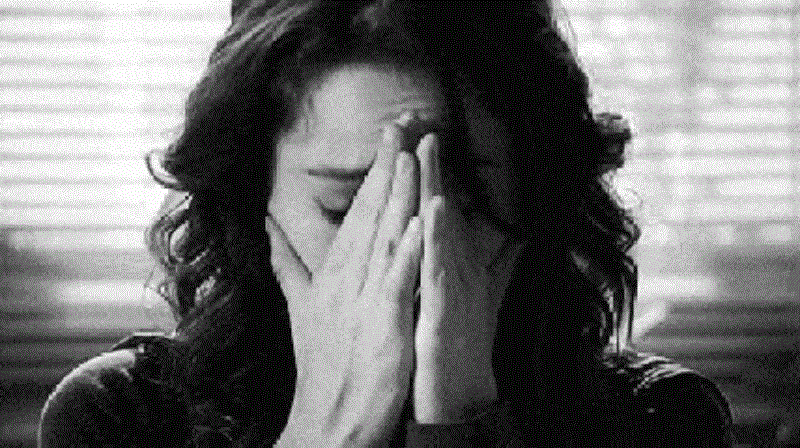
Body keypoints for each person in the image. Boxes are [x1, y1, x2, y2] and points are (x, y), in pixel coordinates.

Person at [38, 1, 735, 446]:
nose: (413, 252)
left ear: (537, 198)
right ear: (251, 200)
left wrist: (461, 423)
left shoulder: (661, 423)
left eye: (462, 200)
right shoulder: (119, 418)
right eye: (350, 209)